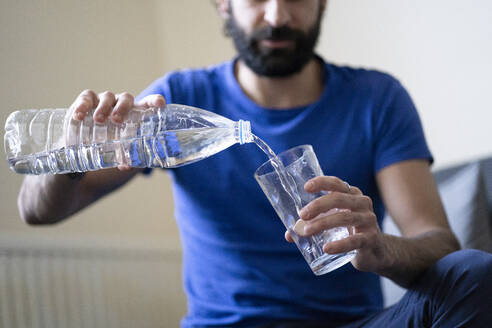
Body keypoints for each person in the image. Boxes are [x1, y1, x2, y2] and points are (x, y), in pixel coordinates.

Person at [17, 0, 491, 327]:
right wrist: (71, 154)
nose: (277, 16)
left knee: (473, 272)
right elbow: (37, 211)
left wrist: (383, 248)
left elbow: (439, 244)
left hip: (357, 323)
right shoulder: (180, 97)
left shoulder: (377, 98)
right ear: (224, 3)